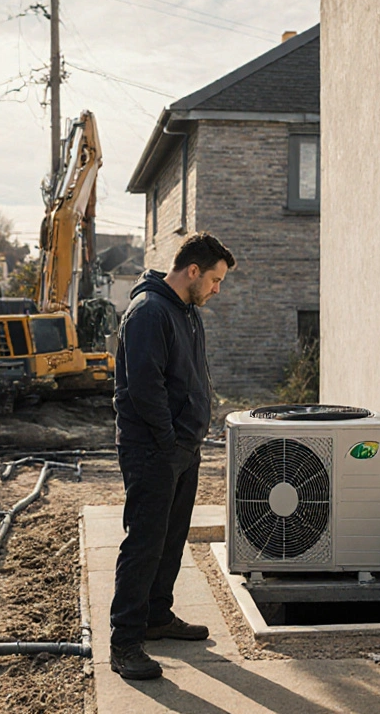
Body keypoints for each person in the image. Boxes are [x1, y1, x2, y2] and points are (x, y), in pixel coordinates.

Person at [108, 232, 235, 680]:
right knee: (144, 543)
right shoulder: (149, 312)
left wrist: (194, 428)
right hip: (154, 450)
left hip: (183, 448)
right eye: (216, 280)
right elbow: (143, 389)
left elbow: (188, 376)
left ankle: (156, 617)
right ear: (193, 271)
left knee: (170, 538)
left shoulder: (185, 310)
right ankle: (124, 644)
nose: (218, 290)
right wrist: (167, 440)